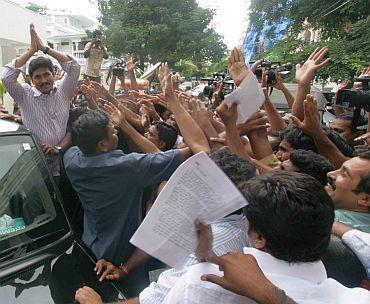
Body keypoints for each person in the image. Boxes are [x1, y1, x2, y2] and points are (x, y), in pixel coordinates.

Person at [163, 172, 370, 303]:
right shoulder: (359, 299)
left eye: (246, 218)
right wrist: (207, 257)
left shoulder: (202, 283)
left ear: (260, 238)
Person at [1, 24, 80, 177]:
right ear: (31, 79)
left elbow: (75, 66)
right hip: (36, 168)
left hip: (65, 163)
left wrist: (45, 49)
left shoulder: (64, 90)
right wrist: (31, 51)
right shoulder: (24, 95)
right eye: (38, 77)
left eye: (46, 74)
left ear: (53, 74)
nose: (43, 80)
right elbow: (6, 77)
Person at [326, 151, 370, 232]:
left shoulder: (327, 223)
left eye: (344, 174)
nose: (330, 174)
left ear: (366, 199)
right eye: (339, 169)